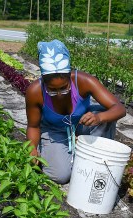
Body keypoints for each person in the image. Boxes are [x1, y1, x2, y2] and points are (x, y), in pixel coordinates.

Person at [26, 39, 126, 184]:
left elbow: (119, 108)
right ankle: (52, 148)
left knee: (106, 112)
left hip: (81, 124)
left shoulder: (84, 81)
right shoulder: (35, 91)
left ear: (69, 76)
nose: (59, 94)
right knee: (61, 176)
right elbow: (33, 126)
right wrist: (32, 149)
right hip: (55, 131)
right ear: (43, 80)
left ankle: (95, 156)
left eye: (64, 88)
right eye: (52, 90)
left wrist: (99, 118)